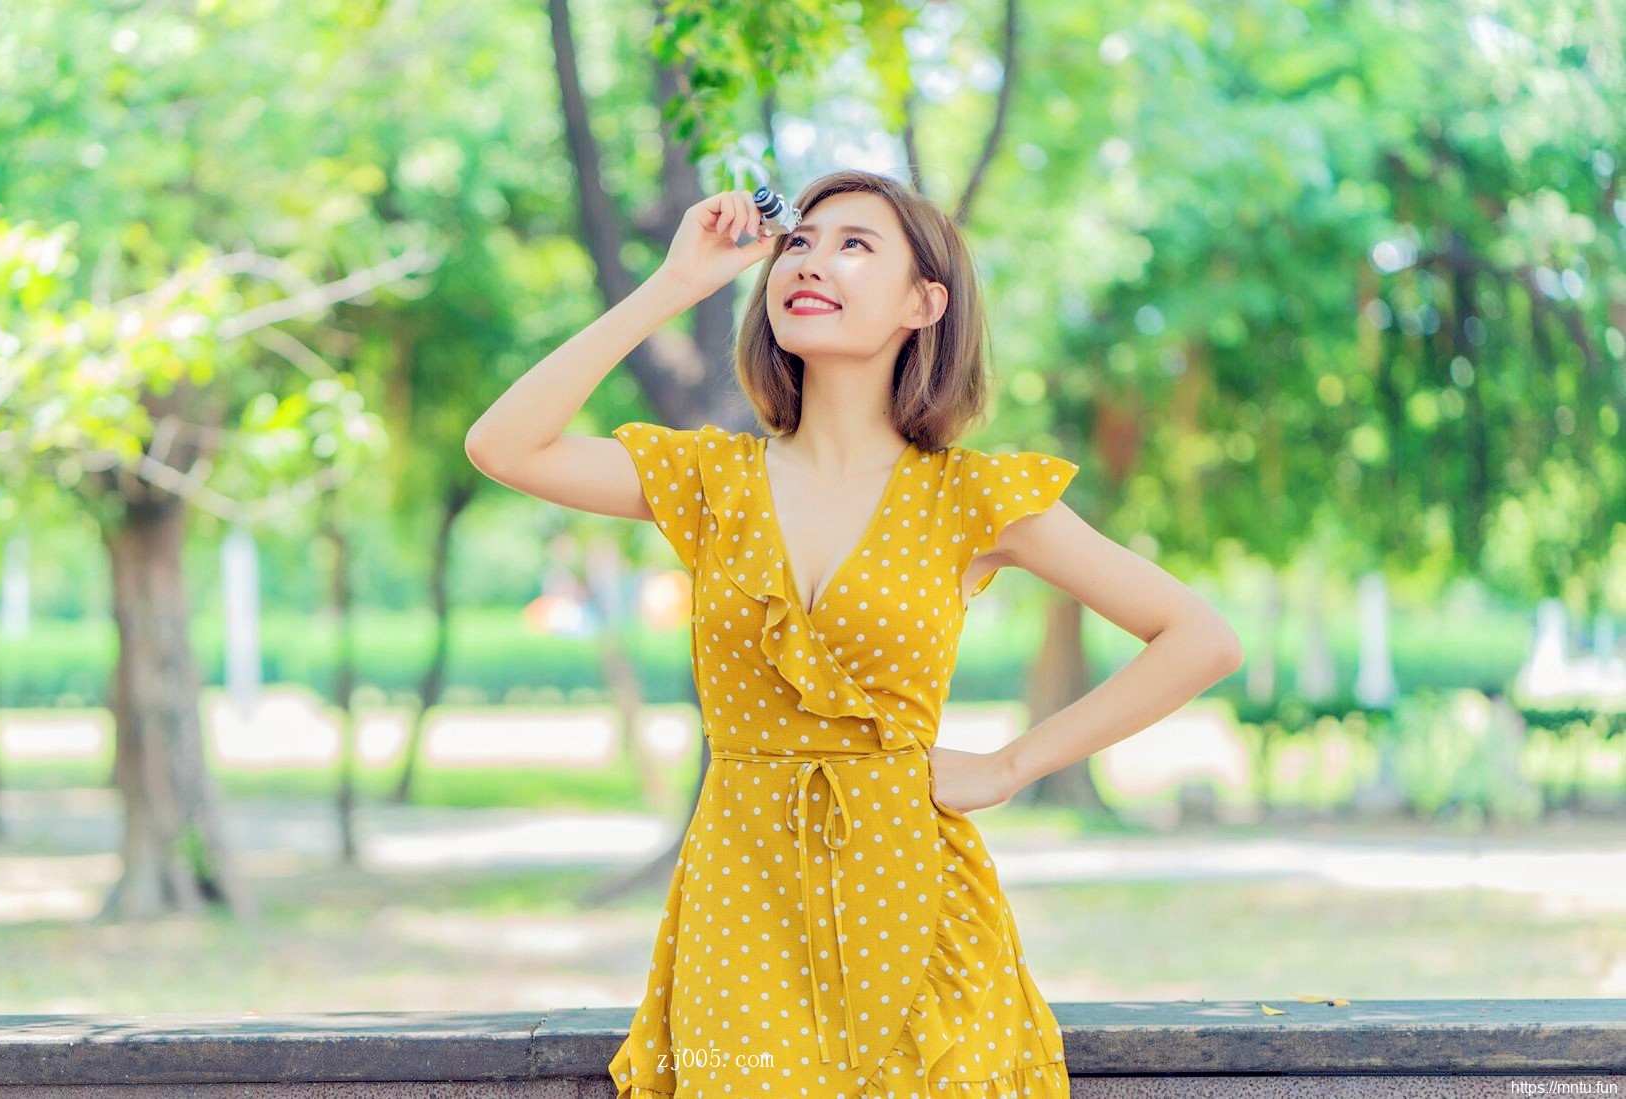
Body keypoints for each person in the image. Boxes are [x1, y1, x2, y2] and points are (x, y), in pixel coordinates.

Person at [466, 169, 1243, 1098]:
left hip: (915, 890)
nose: (811, 259)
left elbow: (1200, 637)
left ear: (925, 301)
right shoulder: (712, 478)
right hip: (741, 893)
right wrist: (679, 284)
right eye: (799, 240)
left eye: (854, 244)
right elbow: (503, 445)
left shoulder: (974, 497)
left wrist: (1007, 767)